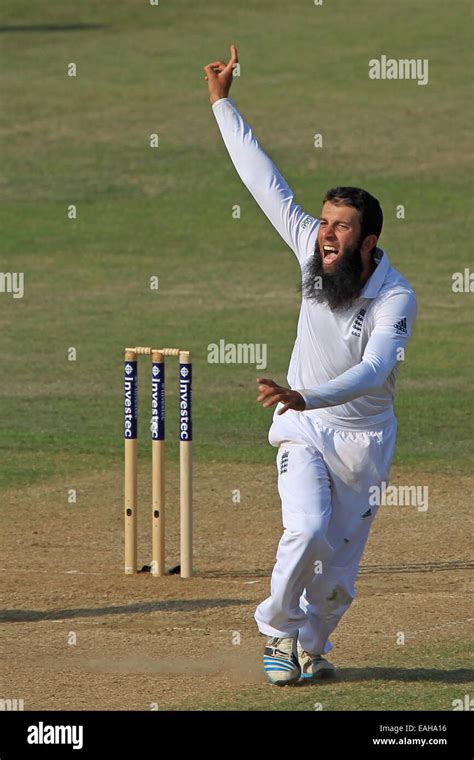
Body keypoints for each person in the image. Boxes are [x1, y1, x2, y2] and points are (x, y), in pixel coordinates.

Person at [204, 46, 417, 686]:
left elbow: (376, 370)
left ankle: (310, 647)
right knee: (307, 527)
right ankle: (275, 627)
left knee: (338, 580)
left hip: (363, 441)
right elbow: (261, 178)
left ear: (369, 241)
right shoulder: (307, 248)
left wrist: (309, 392)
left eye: (342, 228)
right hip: (303, 429)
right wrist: (222, 103)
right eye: (324, 223)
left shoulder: (396, 296)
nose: (326, 235)